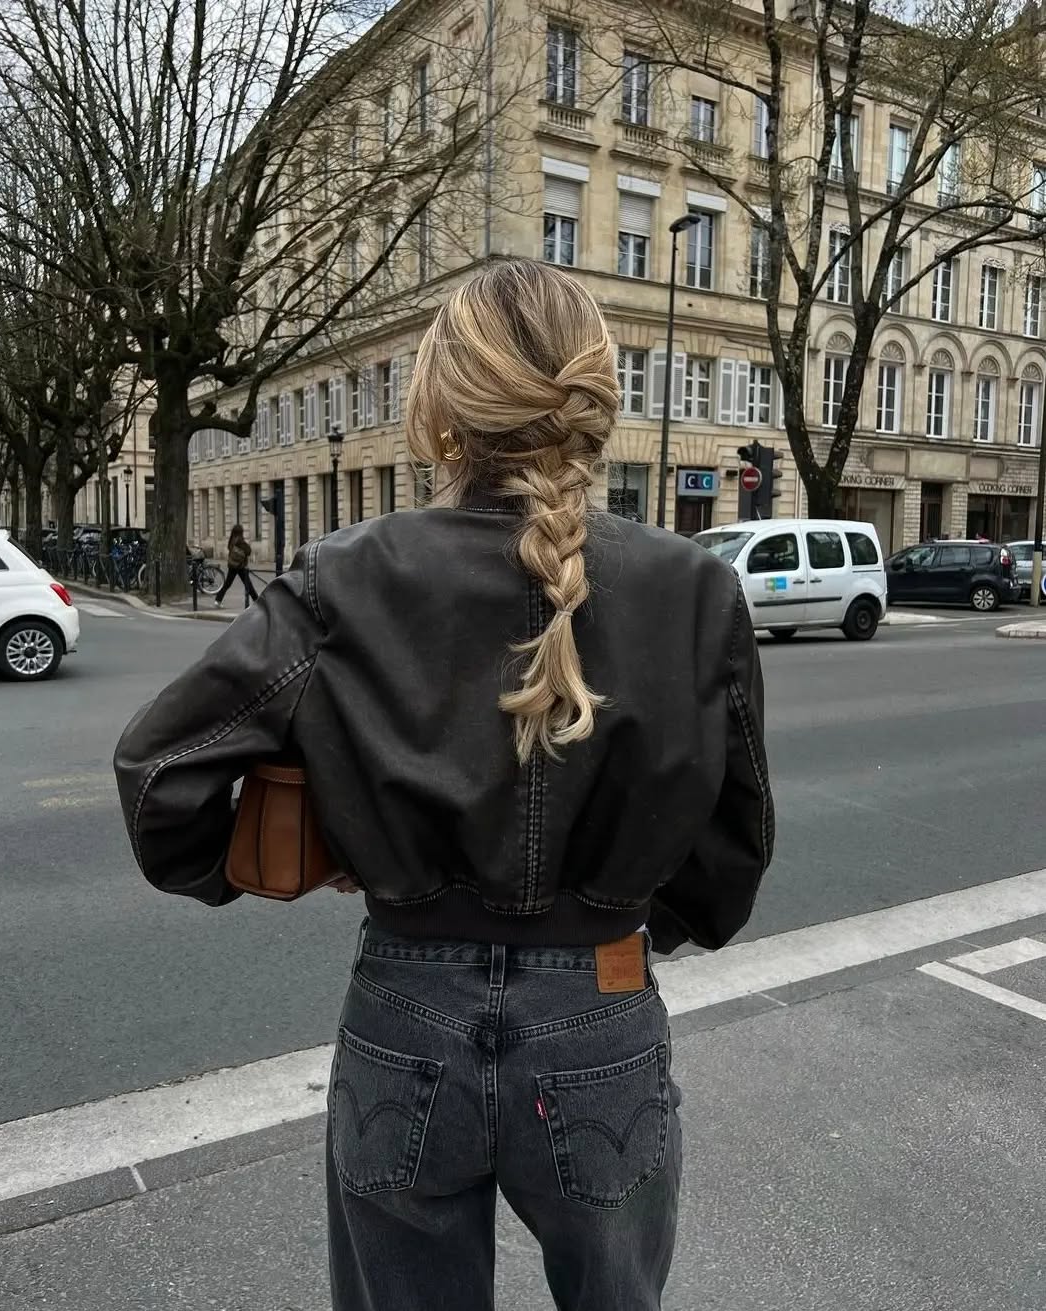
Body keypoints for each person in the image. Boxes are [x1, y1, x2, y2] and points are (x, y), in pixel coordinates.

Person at [113, 260, 774, 1311]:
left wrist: (302, 850)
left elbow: (161, 774)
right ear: (595, 392)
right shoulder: (695, 585)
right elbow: (734, 840)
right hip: (599, 1006)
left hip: (406, 1009)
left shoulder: (342, 574)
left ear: (439, 402)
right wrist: (640, 920)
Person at [214, 524, 258, 606]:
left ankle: (218, 600)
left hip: (232, 565)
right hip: (240, 566)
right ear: (241, 532)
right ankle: (257, 601)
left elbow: (230, 549)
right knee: (248, 584)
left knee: (227, 584)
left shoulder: (231, 540)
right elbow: (248, 551)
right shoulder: (240, 541)